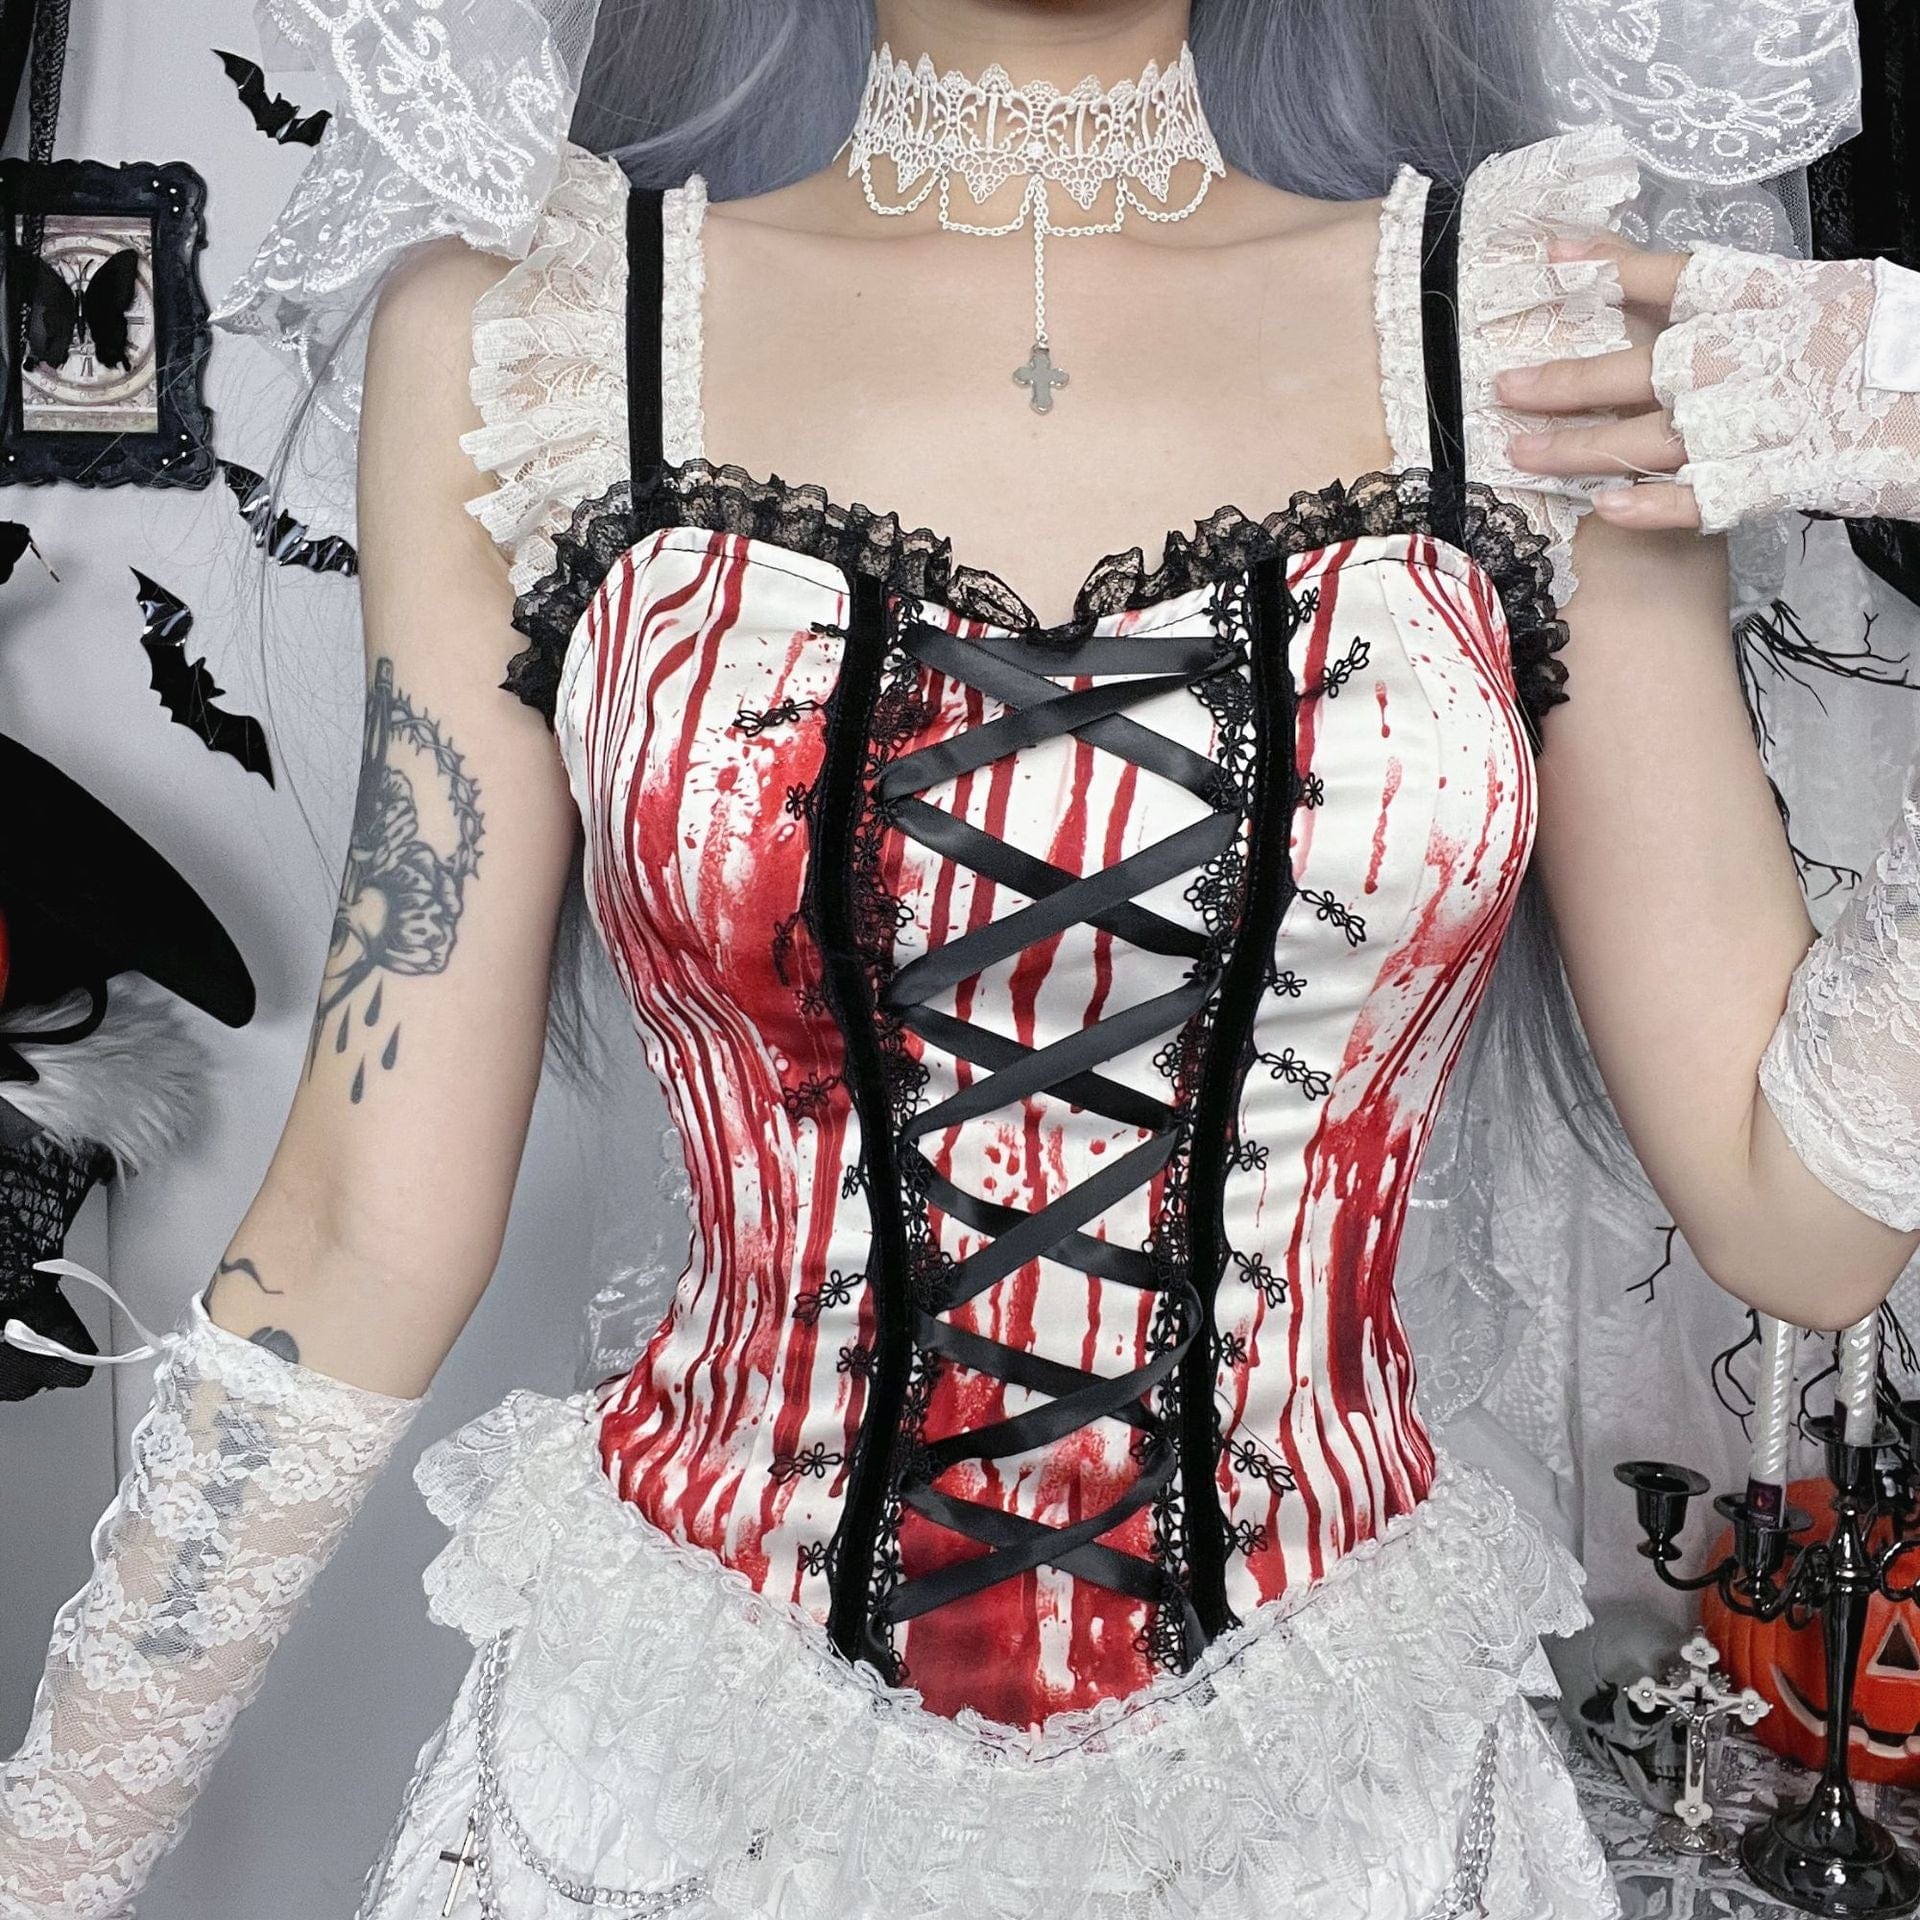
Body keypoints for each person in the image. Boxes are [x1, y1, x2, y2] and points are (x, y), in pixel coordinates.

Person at [5, 1, 1920, 1914]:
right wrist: (48, 1861)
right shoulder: (535, 341)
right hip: (684, 1800)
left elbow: (1806, 1231)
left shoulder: (1536, 350)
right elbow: (363, 1227)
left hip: (1334, 1815)